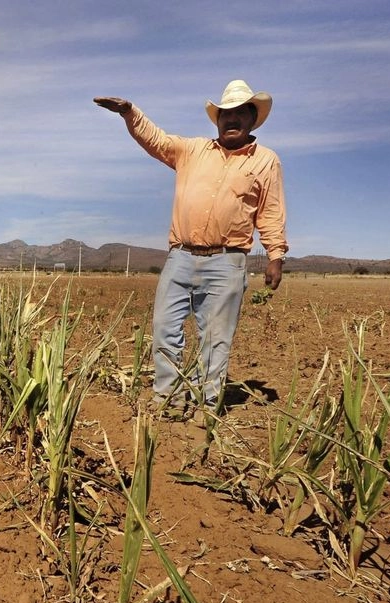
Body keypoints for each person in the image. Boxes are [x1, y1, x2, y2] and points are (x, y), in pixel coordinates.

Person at [94, 80, 288, 421]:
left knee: (216, 339)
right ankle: (168, 400)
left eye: (240, 113)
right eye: (225, 114)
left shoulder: (266, 161)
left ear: (252, 119)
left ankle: (204, 406)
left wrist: (276, 255)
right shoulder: (191, 150)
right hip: (180, 257)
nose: (231, 120)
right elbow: (156, 139)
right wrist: (129, 112)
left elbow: (269, 211)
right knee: (165, 329)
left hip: (228, 262)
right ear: (217, 120)